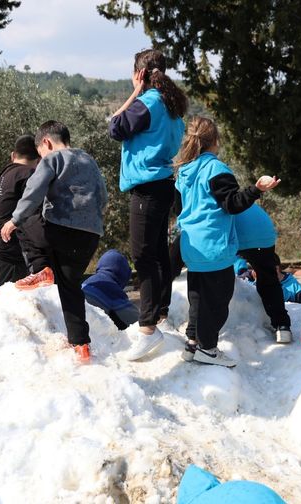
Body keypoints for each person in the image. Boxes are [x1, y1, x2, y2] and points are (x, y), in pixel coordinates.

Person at [175, 116, 279, 367]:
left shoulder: (184, 172)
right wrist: (257, 189)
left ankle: (192, 343)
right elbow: (233, 205)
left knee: (197, 296)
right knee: (218, 300)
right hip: (214, 246)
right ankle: (208, 349)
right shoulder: (216, 170)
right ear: (216, 141)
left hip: (191, 245)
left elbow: (179, 207)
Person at [1, 121, 108, 363]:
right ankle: (81, 344)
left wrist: (14, 220)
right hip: (90, 236)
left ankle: (41, 270)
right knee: (70, 287)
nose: (40, 158)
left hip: (61, 230)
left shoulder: (52, 160)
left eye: (40, 152)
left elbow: (33, 191)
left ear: (46, 143)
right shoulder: (89, 160)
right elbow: (103, 196)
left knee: (25, 222)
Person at [109, 48, 187, 361]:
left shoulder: (149, 102)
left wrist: (134, 91)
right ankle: (159, 316)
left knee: (143, 255)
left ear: (140, 73)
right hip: (164, 184)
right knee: (155, 254)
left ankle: (148, 328)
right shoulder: (172, 105)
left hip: (147, 186)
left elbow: (115, 127)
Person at [0, 135, 42, 288]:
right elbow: (35, 212)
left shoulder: (3, 175)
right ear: (38, 159)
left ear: (13, 155)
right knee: (18, 305)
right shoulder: (29, 175)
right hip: (12, 254)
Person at [235, 204, 293, 343]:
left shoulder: (211, 193)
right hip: (265, 233)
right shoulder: (238, 195)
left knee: (217, 271)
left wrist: (240, 270)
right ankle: (282, 326)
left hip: (240, 234)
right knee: (268, 279)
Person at [81, 249, 139, 330]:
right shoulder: (112, 289)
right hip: (93, 331)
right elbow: (135, 319)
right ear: (123, 274)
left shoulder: (88, 282)